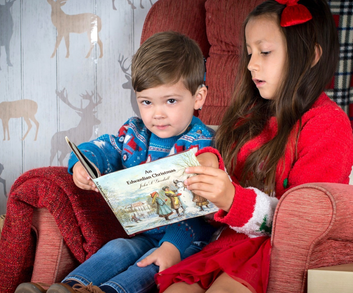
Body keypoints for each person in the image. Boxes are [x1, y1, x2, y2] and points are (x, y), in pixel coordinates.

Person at [156, 0, 353, 293]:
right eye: (249, 53)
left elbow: (304, 219)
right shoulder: (249, 118)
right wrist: (209, 166)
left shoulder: (328, 124)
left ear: (311, 56)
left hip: (283, 250)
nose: (251, 64)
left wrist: (231, 199)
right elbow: (227, 179)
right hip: (230, 243)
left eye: (264, 52)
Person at [15, 31, 217, 293]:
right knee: (117, 247)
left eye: (170, 101)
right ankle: (67, 288)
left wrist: (173, 247)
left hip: (187, 238)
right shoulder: (135, 133)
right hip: (142, 233)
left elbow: (202, 209)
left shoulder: (200, 144)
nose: (157, 113)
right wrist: (83, 164)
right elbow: (104, 147)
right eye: (146, 102)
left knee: (153, 264)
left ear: (198, 97)